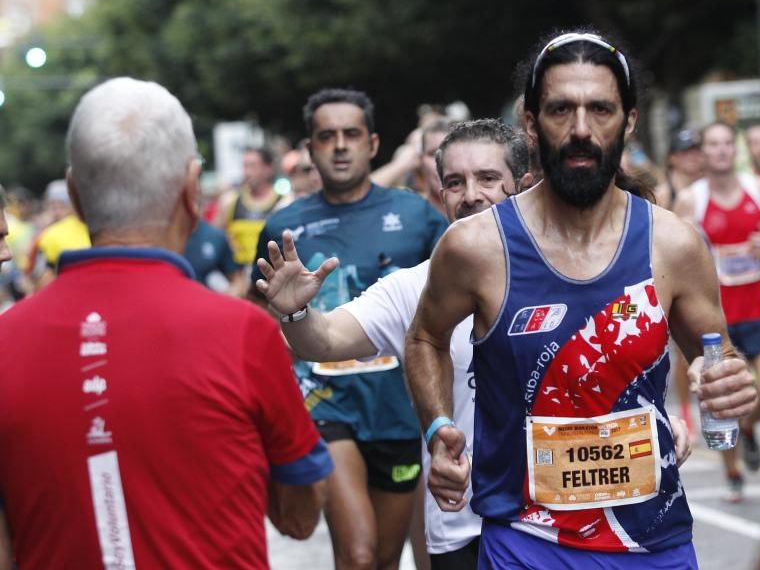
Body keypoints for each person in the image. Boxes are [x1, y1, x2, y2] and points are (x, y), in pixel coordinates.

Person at [404, 31, 757, 568]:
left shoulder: (673, 245)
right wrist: (437, 429)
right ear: (530, 122)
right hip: (526, 542)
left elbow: (717, 353)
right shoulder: (477, 247)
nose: (581, 131)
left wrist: (729, 380)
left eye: (601, 110)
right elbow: (425, 336)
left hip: (652, 543)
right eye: (561, 110)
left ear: (629, 121)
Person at [0, 77, 332, 570]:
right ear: (192, 189)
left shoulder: (7, 342)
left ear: (74, 190)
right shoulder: (244, 333)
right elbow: (300, 518)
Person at [259, 118, 549, 569]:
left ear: (524, 185)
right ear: (440, 193)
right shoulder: (416, 287)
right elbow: (325, 338)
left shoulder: (566, 276)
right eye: (455, 182)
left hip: (556, 524)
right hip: (463, 529)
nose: (470, 193)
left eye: (487, 178)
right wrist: (296, 312)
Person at [251, 87, 448, 570]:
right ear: (312, 148)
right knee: (357, 554)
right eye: (327, 136)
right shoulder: (285, 226)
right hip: (325, 401)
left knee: (383, 556)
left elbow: (449, 306)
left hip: (400, 406)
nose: (340, 145)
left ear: (373, 143)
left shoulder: (419, 217)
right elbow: (260, 320)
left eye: (351, 134)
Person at [674, 121, 760, 500]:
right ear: (703, 152)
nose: (721, 151)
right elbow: (677, 254)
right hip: (716, 313)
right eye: (713, 144)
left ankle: (750, 425)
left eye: (727, 144)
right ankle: (733, 472)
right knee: (722, 401)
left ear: (735, 150)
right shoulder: (691, 199)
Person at [216, 147, 282, 266]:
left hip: (270, 273)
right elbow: (214, 237)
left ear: (268, 169)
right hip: (238, 273)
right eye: (245, 166)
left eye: (253, 166)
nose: (247, 172)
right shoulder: (229, 201)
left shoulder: (283, 203)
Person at [29, 178, 90, 289]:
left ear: (72, 205)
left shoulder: (49, 235)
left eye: (62, 206)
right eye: (52, 207)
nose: (56, 212)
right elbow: (34, 275)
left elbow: (38, 280)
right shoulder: (45, 235)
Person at [183, 218, 248, 295]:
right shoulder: (166, 237)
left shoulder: (216, 237)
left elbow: (237, 280)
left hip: (204, 301)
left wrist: (232, 293)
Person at [656, 128, 703, 210]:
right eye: (685, 151)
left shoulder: (711, 188)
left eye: (697, 150)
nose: (693, 156)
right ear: (671, 158)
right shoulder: (662, 196)